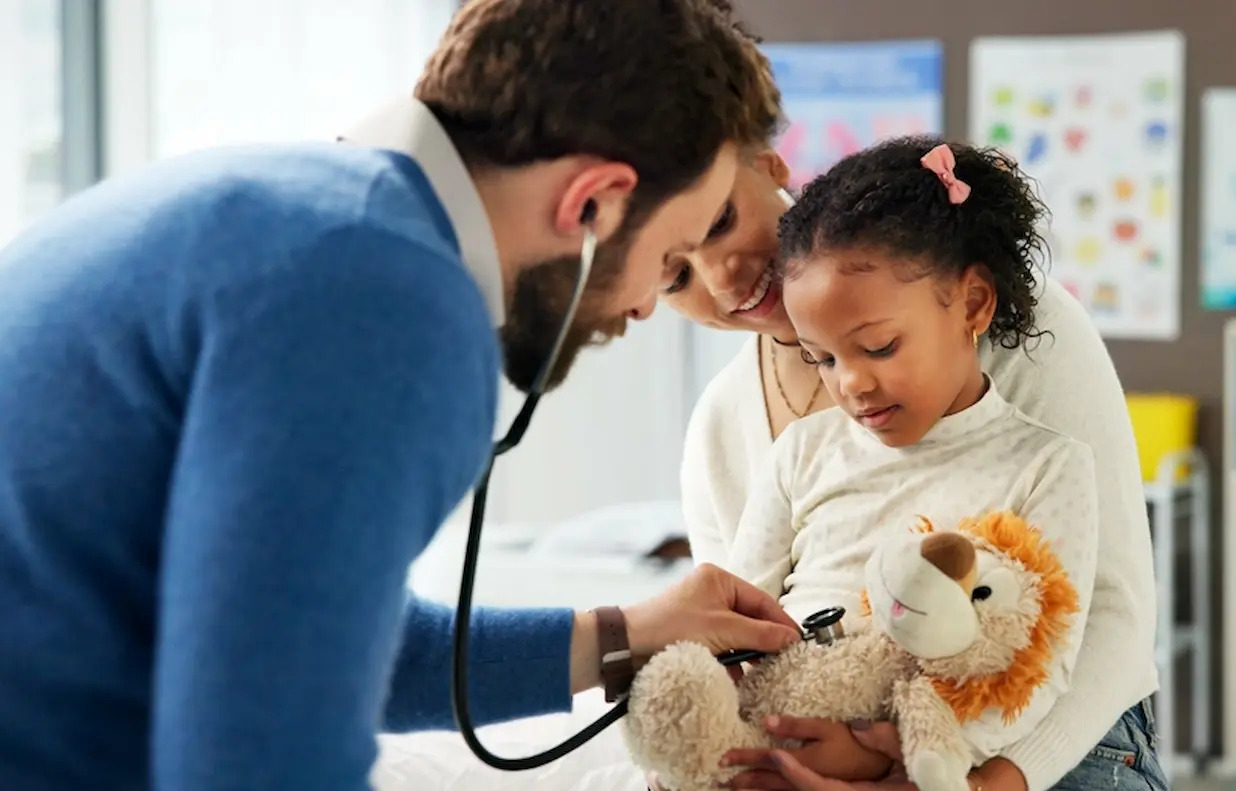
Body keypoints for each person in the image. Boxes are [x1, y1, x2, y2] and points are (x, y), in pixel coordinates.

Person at [0, 2, 804, 790]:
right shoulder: (390, 296)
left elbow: (317, 648)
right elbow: (263, 758)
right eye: (667, 260)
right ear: (591, 202)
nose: (640, 309)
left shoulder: (304, 212)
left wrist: (624, 636)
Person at [663, 29, 1161, 791]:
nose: (720, 276)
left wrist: (980, 778)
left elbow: (1114, 622)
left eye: (720, 223)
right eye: (672, 273)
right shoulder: (724, 427)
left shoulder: (1017, 333)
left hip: (1040, 735)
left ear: (768, 165)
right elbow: (735, 633)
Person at [723, 136, 1105, 786]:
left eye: (878, 346)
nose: (850, 383)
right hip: (780, 735)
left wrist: (888, 752)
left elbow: (1043, 666)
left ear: (974, 304)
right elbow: (738, 613)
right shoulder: (803, 451)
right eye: (823, 358)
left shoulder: (1047, 466)